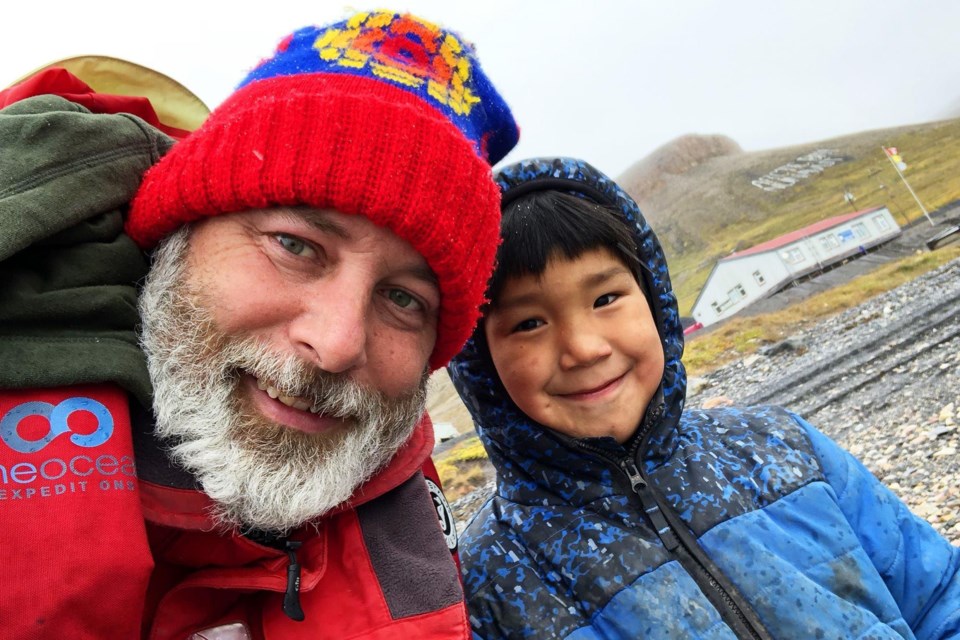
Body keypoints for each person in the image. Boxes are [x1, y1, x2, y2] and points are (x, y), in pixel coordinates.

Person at [0, 11, 517, 639]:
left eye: (405, 300)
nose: (334, 344)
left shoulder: (399, 499)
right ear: (177, 234)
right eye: (295, 246)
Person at [448, 157, 960, 639]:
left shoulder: (781, 447)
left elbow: (938, 597)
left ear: (655, 301)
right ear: (479, 364)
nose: (584, 348)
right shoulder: (490, 586)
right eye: (529, 323)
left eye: (606, 298)